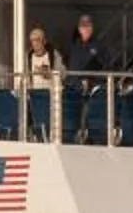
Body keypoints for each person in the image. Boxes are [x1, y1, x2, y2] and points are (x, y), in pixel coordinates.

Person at [70, 14, 111, 145]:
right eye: (83, 26)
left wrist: (92, 81)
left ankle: (91, 138)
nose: (86, 29)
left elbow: (107, 67)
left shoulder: (99, 46)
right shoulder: (75, 46)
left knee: (90, 115)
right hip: (77, 90)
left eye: (88, 26)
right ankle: (79, 137)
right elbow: (72, 69)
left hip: (94, 90)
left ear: (92, 28)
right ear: (79, 29)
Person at [27, 25, 61, 143]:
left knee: (50, 122)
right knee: (38, 122)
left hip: (50, 95)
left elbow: (62, 73)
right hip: (35, 95)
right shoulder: (29, 56)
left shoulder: (52, 55)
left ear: (44, 41)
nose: (35, 43)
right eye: (33, 41)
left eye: (38, 40)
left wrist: (47, 73)